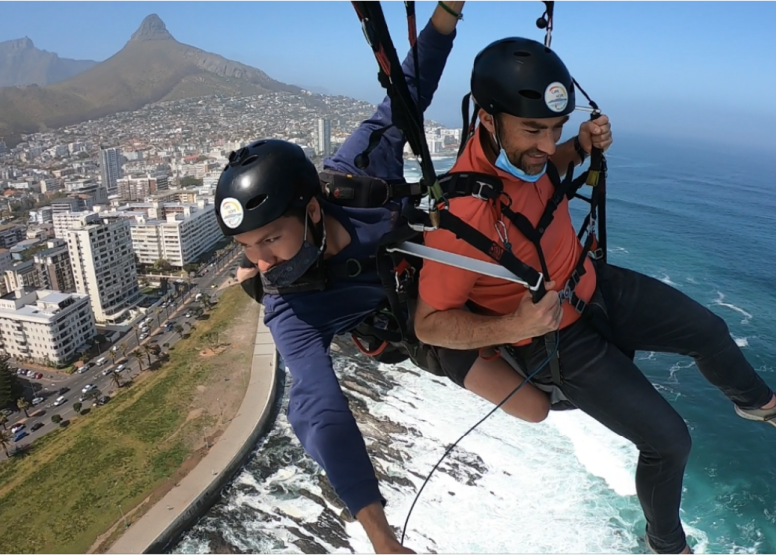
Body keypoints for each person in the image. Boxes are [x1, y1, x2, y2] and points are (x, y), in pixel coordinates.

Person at [412, 36, 776, 554]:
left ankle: (758, 404)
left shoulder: (532, 160)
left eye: (554, 128)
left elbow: (550, 167)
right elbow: (429, 322)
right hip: (552, 339)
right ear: (488, 121)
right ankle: (665, 543)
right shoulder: (459, 215)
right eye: (533, 129)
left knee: (711, 331)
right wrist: (512, 328)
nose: (544, 144)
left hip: (593, 285)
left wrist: (581, 142)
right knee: (669, 443)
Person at [215, 3, 545, 553]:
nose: (264, 261)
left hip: (444, 272)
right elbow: (320, 411)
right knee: (532, 407)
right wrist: (381, 537)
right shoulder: (289, 308)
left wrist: (446, 13)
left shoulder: (355, 174)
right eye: (248, 249)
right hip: (419, 328)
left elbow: (405, 94)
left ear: (313, 210)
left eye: (270, 239)